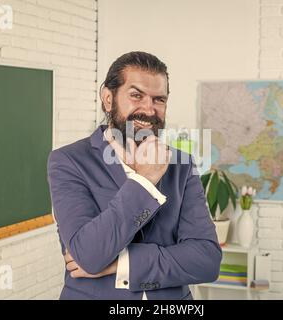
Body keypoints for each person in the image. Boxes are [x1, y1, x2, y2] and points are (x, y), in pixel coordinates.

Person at [47, 51, 222, 300]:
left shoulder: (181, 164)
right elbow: (89, 254)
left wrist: (121, 264)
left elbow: (207, 260)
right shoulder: (69, 161)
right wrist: (144, 181)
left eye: (159, 99)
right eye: (136, 95)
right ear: (108, 99)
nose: (149, 110)